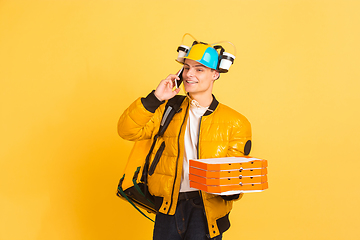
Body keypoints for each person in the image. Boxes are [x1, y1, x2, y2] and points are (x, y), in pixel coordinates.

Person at [118, 40, 252, 240]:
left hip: (205, 211)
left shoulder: (236, 122)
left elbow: (236, 180)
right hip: (168, 206)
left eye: (199, 69)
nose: (189, 74)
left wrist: (230, 188)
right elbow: (127, 131)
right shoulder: (167, 109)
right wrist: (155, 98)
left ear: (215, 74)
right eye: (187, 68)